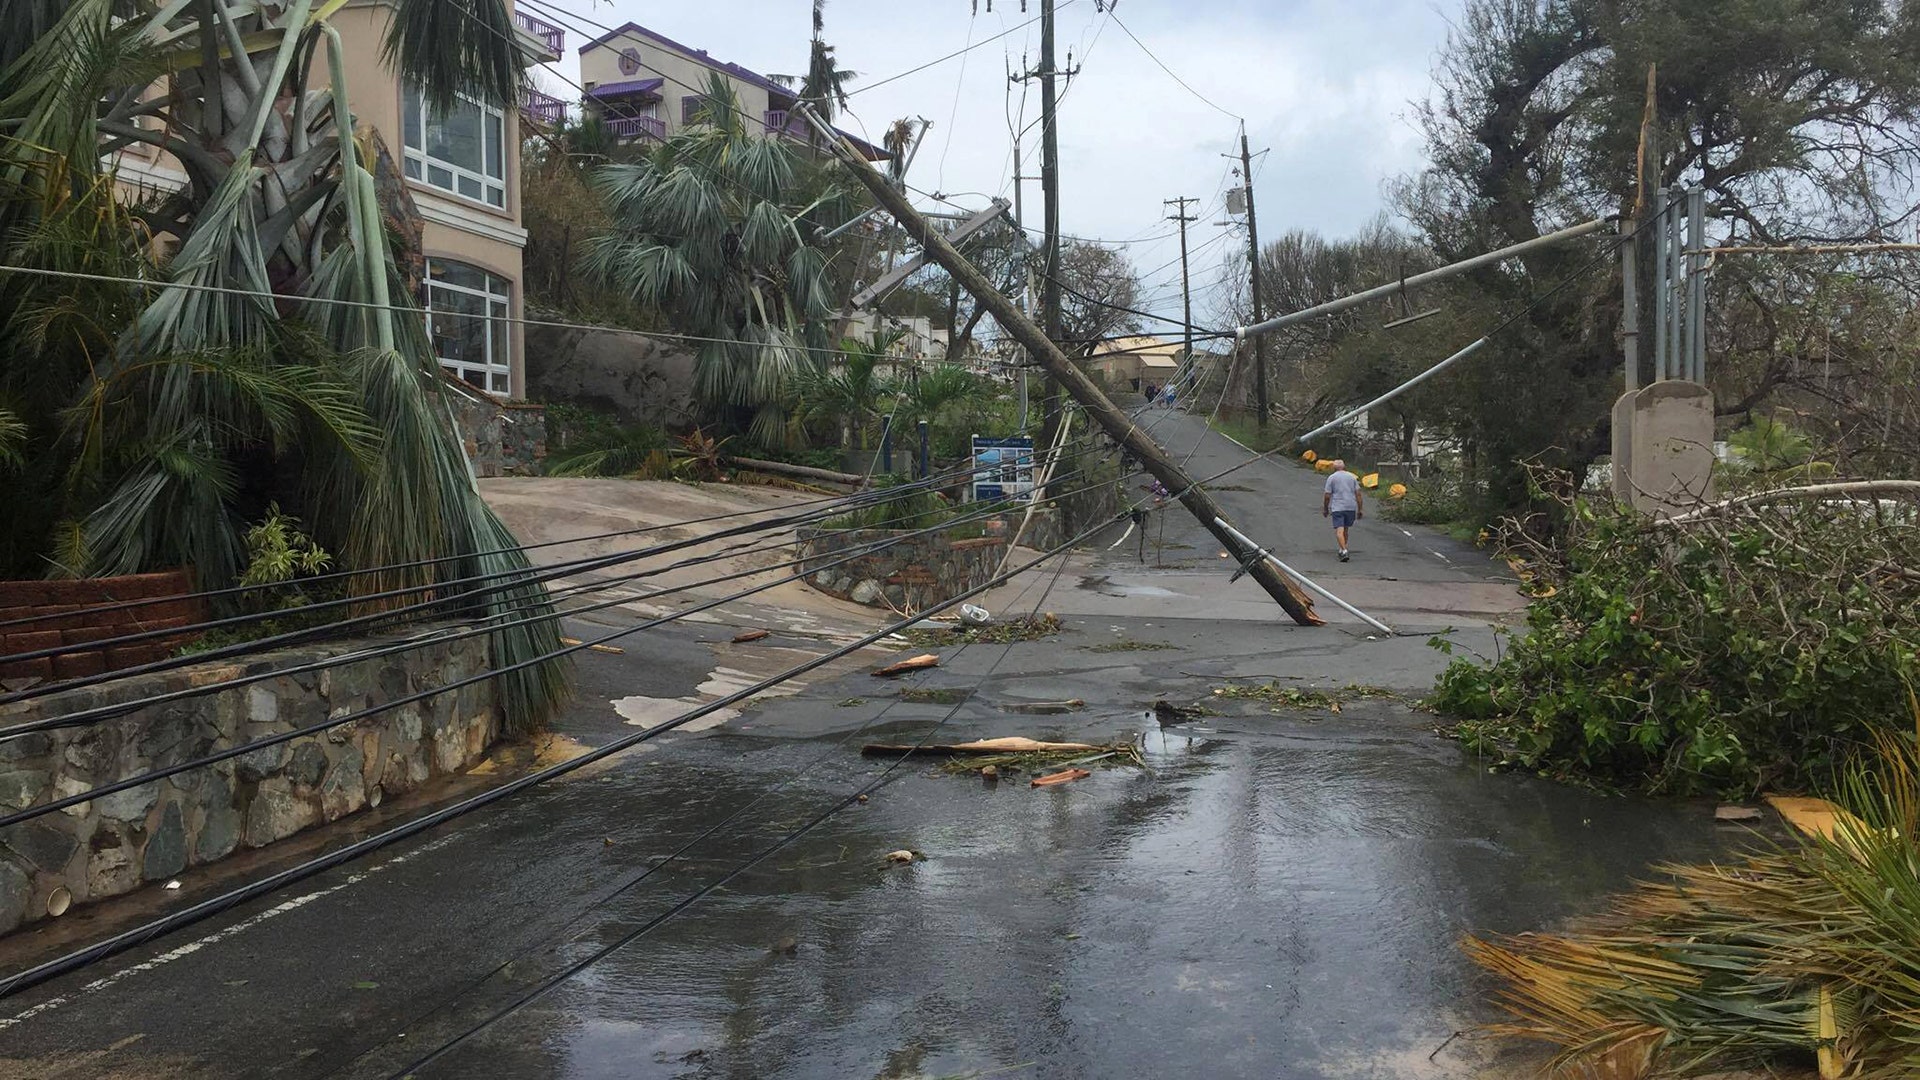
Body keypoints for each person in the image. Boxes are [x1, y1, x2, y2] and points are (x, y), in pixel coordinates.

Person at [1322, 459, 1362, 562]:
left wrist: (1325, 508)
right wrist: (1360, 509)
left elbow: (1327, 495)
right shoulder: (1352, 477)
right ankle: (1342, 548)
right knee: (1346, 529)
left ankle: (1344, 551)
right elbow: (1358, 494)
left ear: (1334, 468)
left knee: (1339, 530)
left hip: (1338, 507)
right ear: (1344, 467)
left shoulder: (1332, 478)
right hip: (1350, 506)